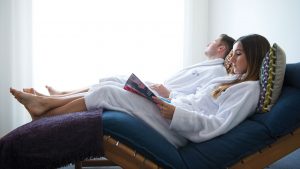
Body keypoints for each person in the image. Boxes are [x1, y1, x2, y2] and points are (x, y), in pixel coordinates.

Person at [10, 34, 270, 148]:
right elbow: (194, 99)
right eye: (233, 53)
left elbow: (217, 125)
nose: (232, 60)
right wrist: (169, 99)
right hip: (174, 112)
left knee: (108, 93)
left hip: (181, 132)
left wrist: (176, 113)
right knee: (113, 85)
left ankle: (44, 113)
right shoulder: (231, 82)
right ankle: (46, 105)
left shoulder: (247, 90)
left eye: (238, 54)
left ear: (254, 56)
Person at [25, 34, 235, 99]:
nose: (209, 43)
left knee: (111, 87)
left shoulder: (216, 71)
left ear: (221, 48)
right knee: (112, 78)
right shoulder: (209, 66)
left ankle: (55, 99)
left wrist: (168, 93)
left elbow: (198, 98)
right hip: (157, 92)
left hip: (162, 99)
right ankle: (61, 94)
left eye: (214, 41)